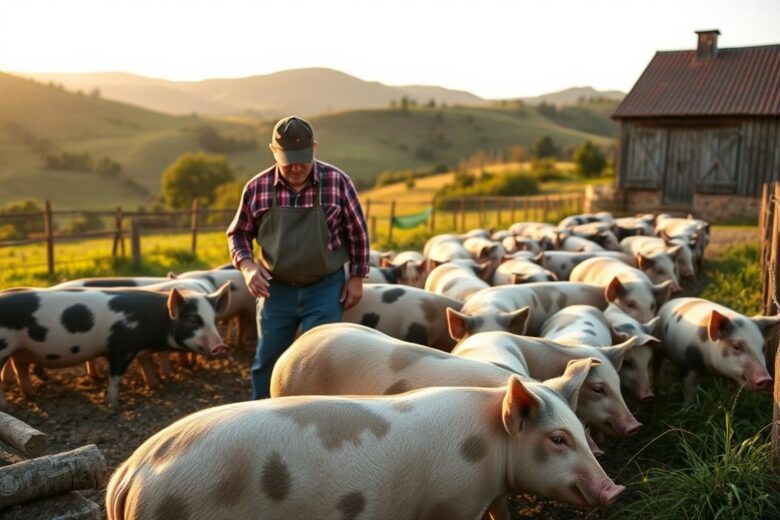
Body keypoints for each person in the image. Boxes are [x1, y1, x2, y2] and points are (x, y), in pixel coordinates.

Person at [227, 115, 369, 399]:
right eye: (288, 159)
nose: (296, 167)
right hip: (275, 288)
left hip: (325, 286)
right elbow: (238, 234)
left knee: (320, 359)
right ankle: (261, 420)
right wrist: (248, 267)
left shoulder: (337, 182)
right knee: (268, 360)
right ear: (273, 151)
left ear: (314, 148)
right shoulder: (257, 188)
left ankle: (316, 423)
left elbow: (357, 232)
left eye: (303, 158)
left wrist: (356, 277)